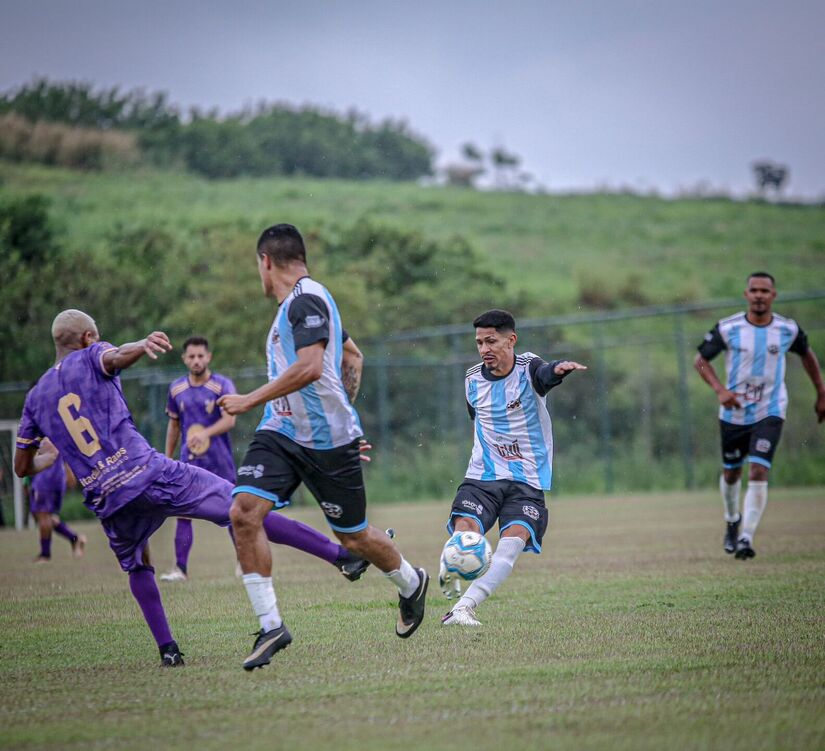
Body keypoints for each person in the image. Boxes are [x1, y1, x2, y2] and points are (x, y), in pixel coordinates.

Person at [14, 309, 372, 667]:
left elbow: (22, 467)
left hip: (108, 496)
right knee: (243, 509)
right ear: (88, 337)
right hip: (148, 472)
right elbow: (116, 356)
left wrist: (50, 455)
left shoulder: (35, 399)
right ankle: (342, 557)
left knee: (138, 566)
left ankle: (168, 651)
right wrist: (142, 344)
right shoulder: (92, 355)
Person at [219, 223, 428, 671]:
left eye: (257, 266)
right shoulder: (304, 303)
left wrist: (248, 401)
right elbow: (352, 356)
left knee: (354, 537)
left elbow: (312, 367)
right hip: (281, 432)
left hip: (327, 444)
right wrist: (343, 413)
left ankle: (412, 583)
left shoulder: (304, 300)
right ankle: (271, 624)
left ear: (266, 262)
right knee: (243, 512)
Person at [439, 309, 586, 627]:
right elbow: (476, 419)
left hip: (527, 480)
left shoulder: (528, 367)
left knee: (512, 543)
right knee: (467, 535)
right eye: (479, 342)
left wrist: (559, 370)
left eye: (491, 341)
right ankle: (448, 569)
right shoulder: (472, 380)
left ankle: (462, 608)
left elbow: (545, 375)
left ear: (511, 340)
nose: (484, 349)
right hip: (483, 477)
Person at [694, 272, 825, 559]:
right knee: (731, 473)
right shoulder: (729, 328)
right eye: (754, 290)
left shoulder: (787, 329)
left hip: (771, 409)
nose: (759, 295)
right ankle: (732, 521)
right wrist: (720, 391)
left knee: (758, 470)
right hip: (733, 414)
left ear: (773, 295)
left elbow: (808, 355)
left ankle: (746, 538)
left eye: (765, 290)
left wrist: (821, 392)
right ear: (746, 294)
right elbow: (701, 360)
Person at [159, 336, 238, 582]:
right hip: (189, 463)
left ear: (209, 357)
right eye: (191, 356)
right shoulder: (176, 389)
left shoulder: (221, 385)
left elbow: (230, 420)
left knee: (235, 512)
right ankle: (180, 569)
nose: (196, 360)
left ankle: (245, 562)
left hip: (219, 462)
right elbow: (174, 426)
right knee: (183, 513)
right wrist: (167, 459)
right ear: (184, 359)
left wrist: (205, 432)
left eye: (200, 356)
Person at [24, 443, 86, 562]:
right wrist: (69, 472)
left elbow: (32, 457)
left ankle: (45, 554)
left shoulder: (40, 433)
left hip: (44, 480)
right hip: (58, 479)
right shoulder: (56, 431)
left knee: (43, 518)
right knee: (48, 517)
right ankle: (74, 538)